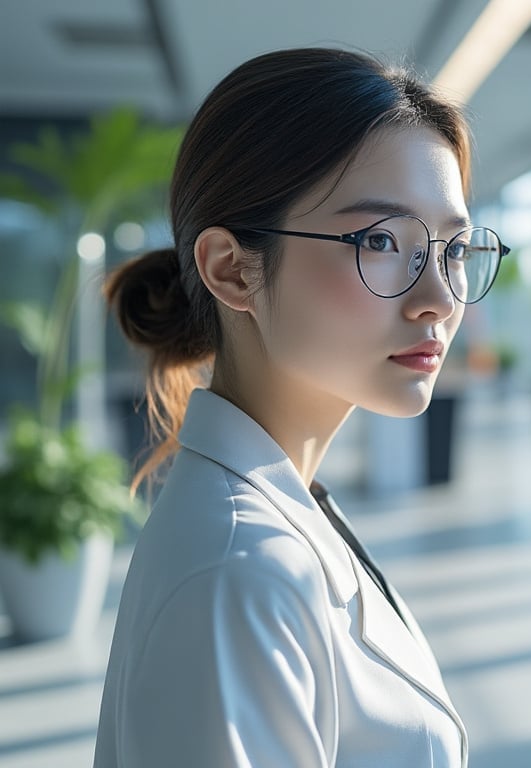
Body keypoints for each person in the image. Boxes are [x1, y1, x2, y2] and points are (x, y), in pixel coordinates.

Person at [94, 47, 508, 768]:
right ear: (232, 269)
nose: (441, 298)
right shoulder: (241, 573)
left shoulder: (287, 511)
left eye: (455, 248)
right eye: (381, 241)